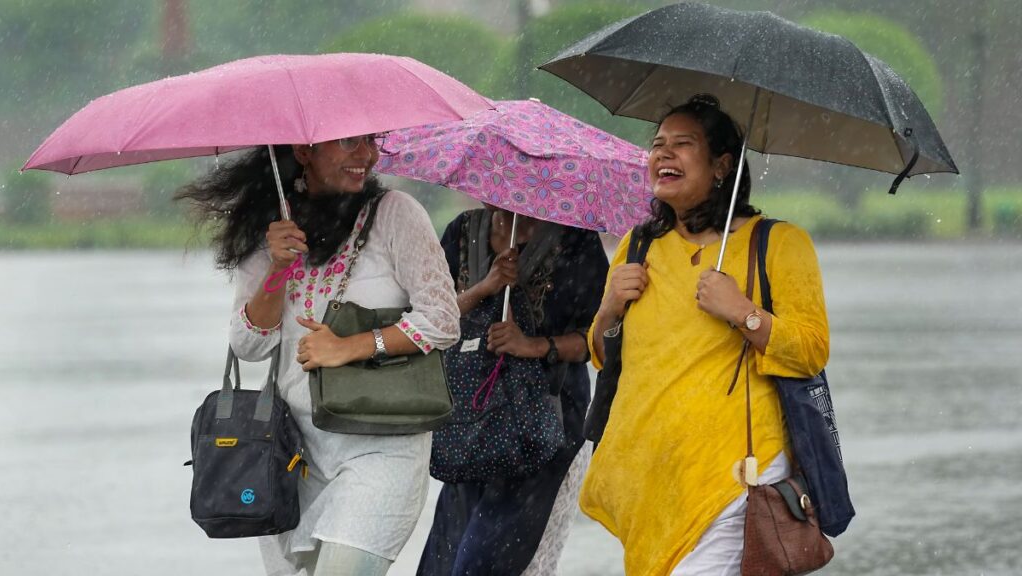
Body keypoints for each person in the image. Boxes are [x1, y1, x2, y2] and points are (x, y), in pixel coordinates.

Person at [176, 136, 460, 576]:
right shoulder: (273, 229)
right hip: (292, 456)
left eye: (371, 142)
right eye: (349, 143)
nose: (365, 155)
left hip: (382, 449)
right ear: (305, 152)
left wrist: (352, 346)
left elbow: (442, 320)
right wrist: (277, 268)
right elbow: (248, 346)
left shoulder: (396, 214)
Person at [581, 94, 830, 576]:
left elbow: (811, 351)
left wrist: (742, 312)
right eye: (657, 144)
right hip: (650, 482)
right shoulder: (638, 245)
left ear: (721, 166)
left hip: (733, 475)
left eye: (682, 144)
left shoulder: (777, 243)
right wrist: (610, 306)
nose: (662, 154)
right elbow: (603, 355)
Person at [417, 207, 609, 576]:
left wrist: (533, 346)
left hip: (543, 430)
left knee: (490, 563)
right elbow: (427, 318)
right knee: (445, 559)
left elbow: (598, 338)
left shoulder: (575, 241)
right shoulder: (463, 230)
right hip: (468, 424)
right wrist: (483, 289)